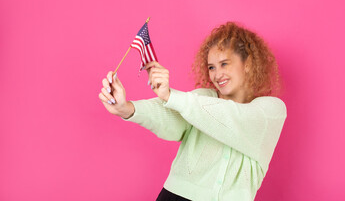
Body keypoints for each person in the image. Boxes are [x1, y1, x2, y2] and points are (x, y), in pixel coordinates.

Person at [98, 22, 287, 201]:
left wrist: (171, 96)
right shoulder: (201, 98)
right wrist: (127, 108)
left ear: (247, 63)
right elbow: (169, 116)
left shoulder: (271, 110)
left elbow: (232, 119)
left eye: (224, 64)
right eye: (211, 67)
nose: (216, 74)